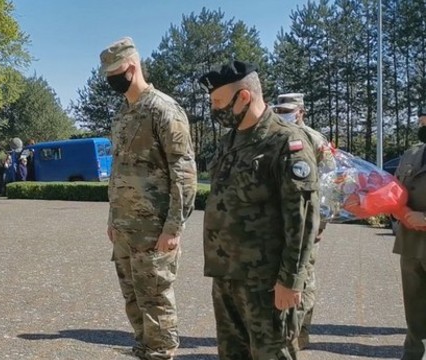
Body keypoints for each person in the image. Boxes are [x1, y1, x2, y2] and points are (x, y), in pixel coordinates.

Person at [197, 60, 319, 360]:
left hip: (267, 283)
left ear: (244, 97)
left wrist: (291, 280)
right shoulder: (230, 142)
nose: (215, 110)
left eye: (219, 102)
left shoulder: (285, 143)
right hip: (227, 277)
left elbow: (302, 219)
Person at [100, 36, 197, 359]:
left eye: (116, 71)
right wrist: (113, 220)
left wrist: (174, 227)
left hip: (155, 231)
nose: (112, 79)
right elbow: (118, 170)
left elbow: (183, 171)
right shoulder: (122, 114)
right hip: (126, 231)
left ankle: (161, 354)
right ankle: (144, 349)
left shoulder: (163, 109)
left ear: (133, 66)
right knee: (133, 300)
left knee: (156, 301)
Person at [272, 92, 333, 350]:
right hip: (276, 222)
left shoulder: (315, 139)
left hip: (307, 222)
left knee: (303, 276)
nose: (283, 114)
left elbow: (333, 184)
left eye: (288, 109)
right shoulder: (273, 136)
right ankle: (281, 332)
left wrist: (321, 224)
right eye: (279, 109)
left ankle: (300, 333)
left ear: (301, 111)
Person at [392, 105, 426, 360]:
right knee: (413, 310)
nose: (422, 122)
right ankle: (412, 354)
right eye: (422, 119)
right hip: (411, 245)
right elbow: (394, 190)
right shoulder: (413, 153)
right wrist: (400, 212)